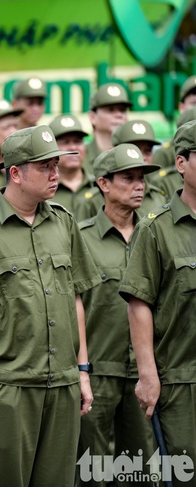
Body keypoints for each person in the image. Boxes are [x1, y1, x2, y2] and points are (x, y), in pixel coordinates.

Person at [0, 125, 100, 486]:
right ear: (15, 173)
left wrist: (83, 371)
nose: (56, 174)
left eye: (57, 165)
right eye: (45, 166)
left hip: (62, 384)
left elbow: (75, 297)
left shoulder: (64, 223)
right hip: (9, 386)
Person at [76, 144, 159, 486]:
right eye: (128, 178)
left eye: (141, 178)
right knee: (91, 470)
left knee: (140, 471)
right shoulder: (79, 238)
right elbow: (74, 305)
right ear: (104, 184)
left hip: (146, 373)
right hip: (97, 372)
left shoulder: (154, 234)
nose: (139, 185)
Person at [119, 119, 196, 485]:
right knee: (183, 473)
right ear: (180, 164)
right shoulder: (155, 228)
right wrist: (147, 374)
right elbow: (138, 303)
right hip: (181, 381)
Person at [49, 114, 98, 221]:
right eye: (65, 142)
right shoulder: (44, 191)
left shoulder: (100, 187)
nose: (73, 147)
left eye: (77, 141)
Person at [84, 83, 131, 173]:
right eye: (111, 109)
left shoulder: (136, 154)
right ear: (92, 117)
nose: (119, 115)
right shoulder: (80, 158)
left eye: (122, 110)